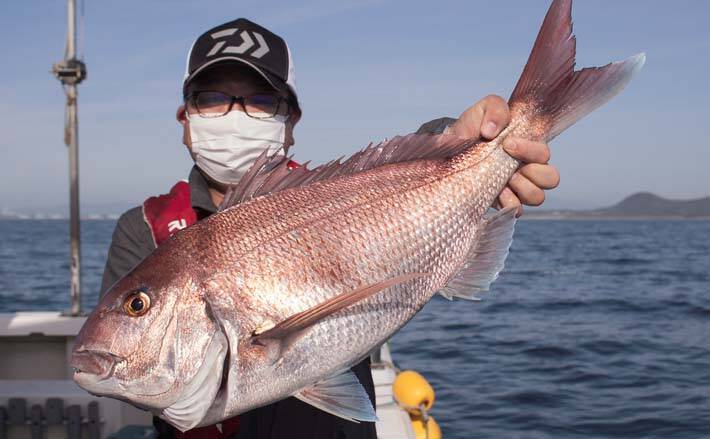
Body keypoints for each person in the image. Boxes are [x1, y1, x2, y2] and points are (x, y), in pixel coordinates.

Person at [100, 18, 559, 439]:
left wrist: (461, 143)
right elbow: (132, 372)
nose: (235, 114)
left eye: (261, 100)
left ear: (291, 121)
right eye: (211, 97)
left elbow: (387, 194)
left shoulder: (330, 196)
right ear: (185, 117)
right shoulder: (143, 227)